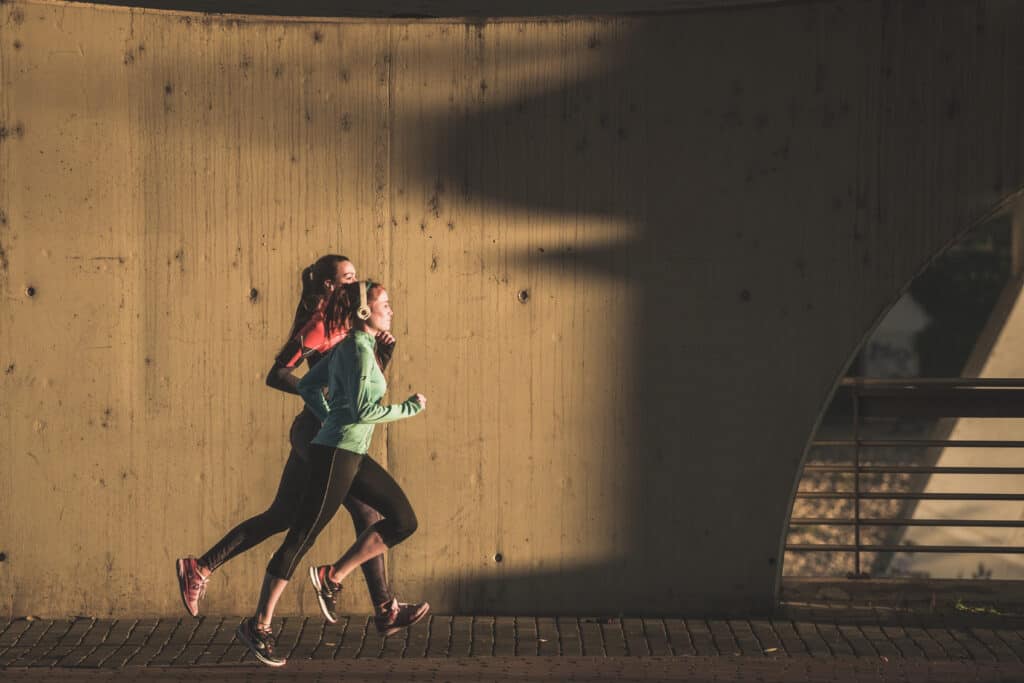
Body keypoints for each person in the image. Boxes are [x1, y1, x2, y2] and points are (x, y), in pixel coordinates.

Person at [175, 256, 424, 634]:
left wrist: (381, 359)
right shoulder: (321, 325)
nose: (356, 284)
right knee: (364, 515)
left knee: (284, 515)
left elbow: (360, 389)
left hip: (327, 431)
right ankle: (377, 606)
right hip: (318, 431)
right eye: (349, 278)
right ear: (329, 286)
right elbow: (280, 375)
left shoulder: (351, 326)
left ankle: (202, 567)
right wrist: (324, 406)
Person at [235, 280, 427, 667]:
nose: (390, 309)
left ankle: (332, 575)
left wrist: (329, 420)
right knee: (301, 536)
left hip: (347, 450)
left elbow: (308, 385)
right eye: (384, 304)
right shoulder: (356, 350)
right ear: (362, 312)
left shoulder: (360, 347)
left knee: (403, 520)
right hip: (337, 455)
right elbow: (361, 413)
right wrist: (409, 408)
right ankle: (259, 625)